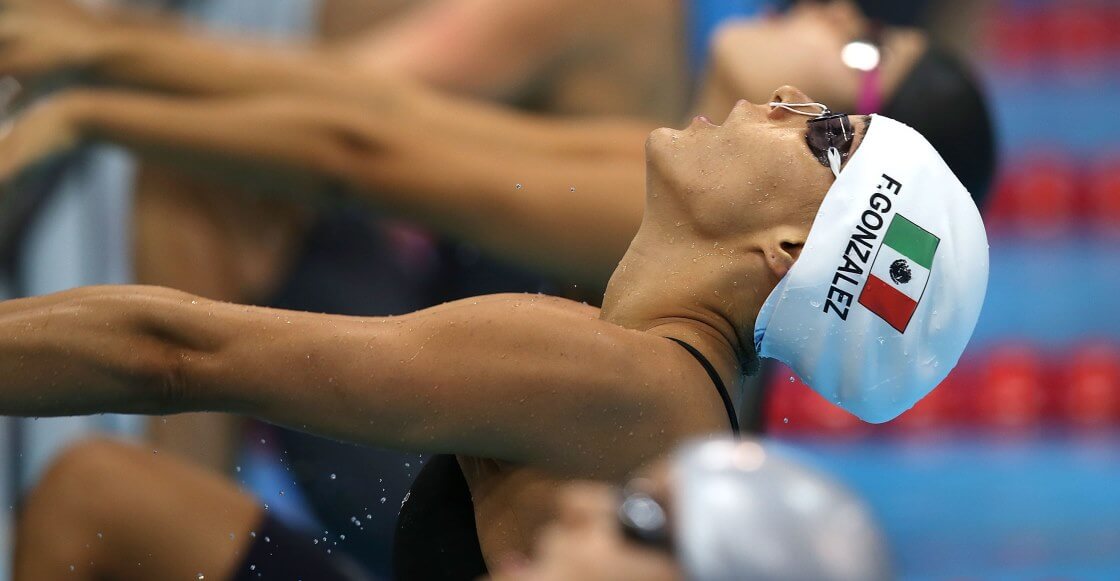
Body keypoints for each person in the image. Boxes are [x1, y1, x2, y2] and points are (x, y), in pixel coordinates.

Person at [5, 86, 987, 579]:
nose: (785, 100)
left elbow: (173, 354)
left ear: (789, 250)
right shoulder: (670, 384)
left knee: (100, 489)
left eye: (823, 134)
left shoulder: (615, 376)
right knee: (105, 490)